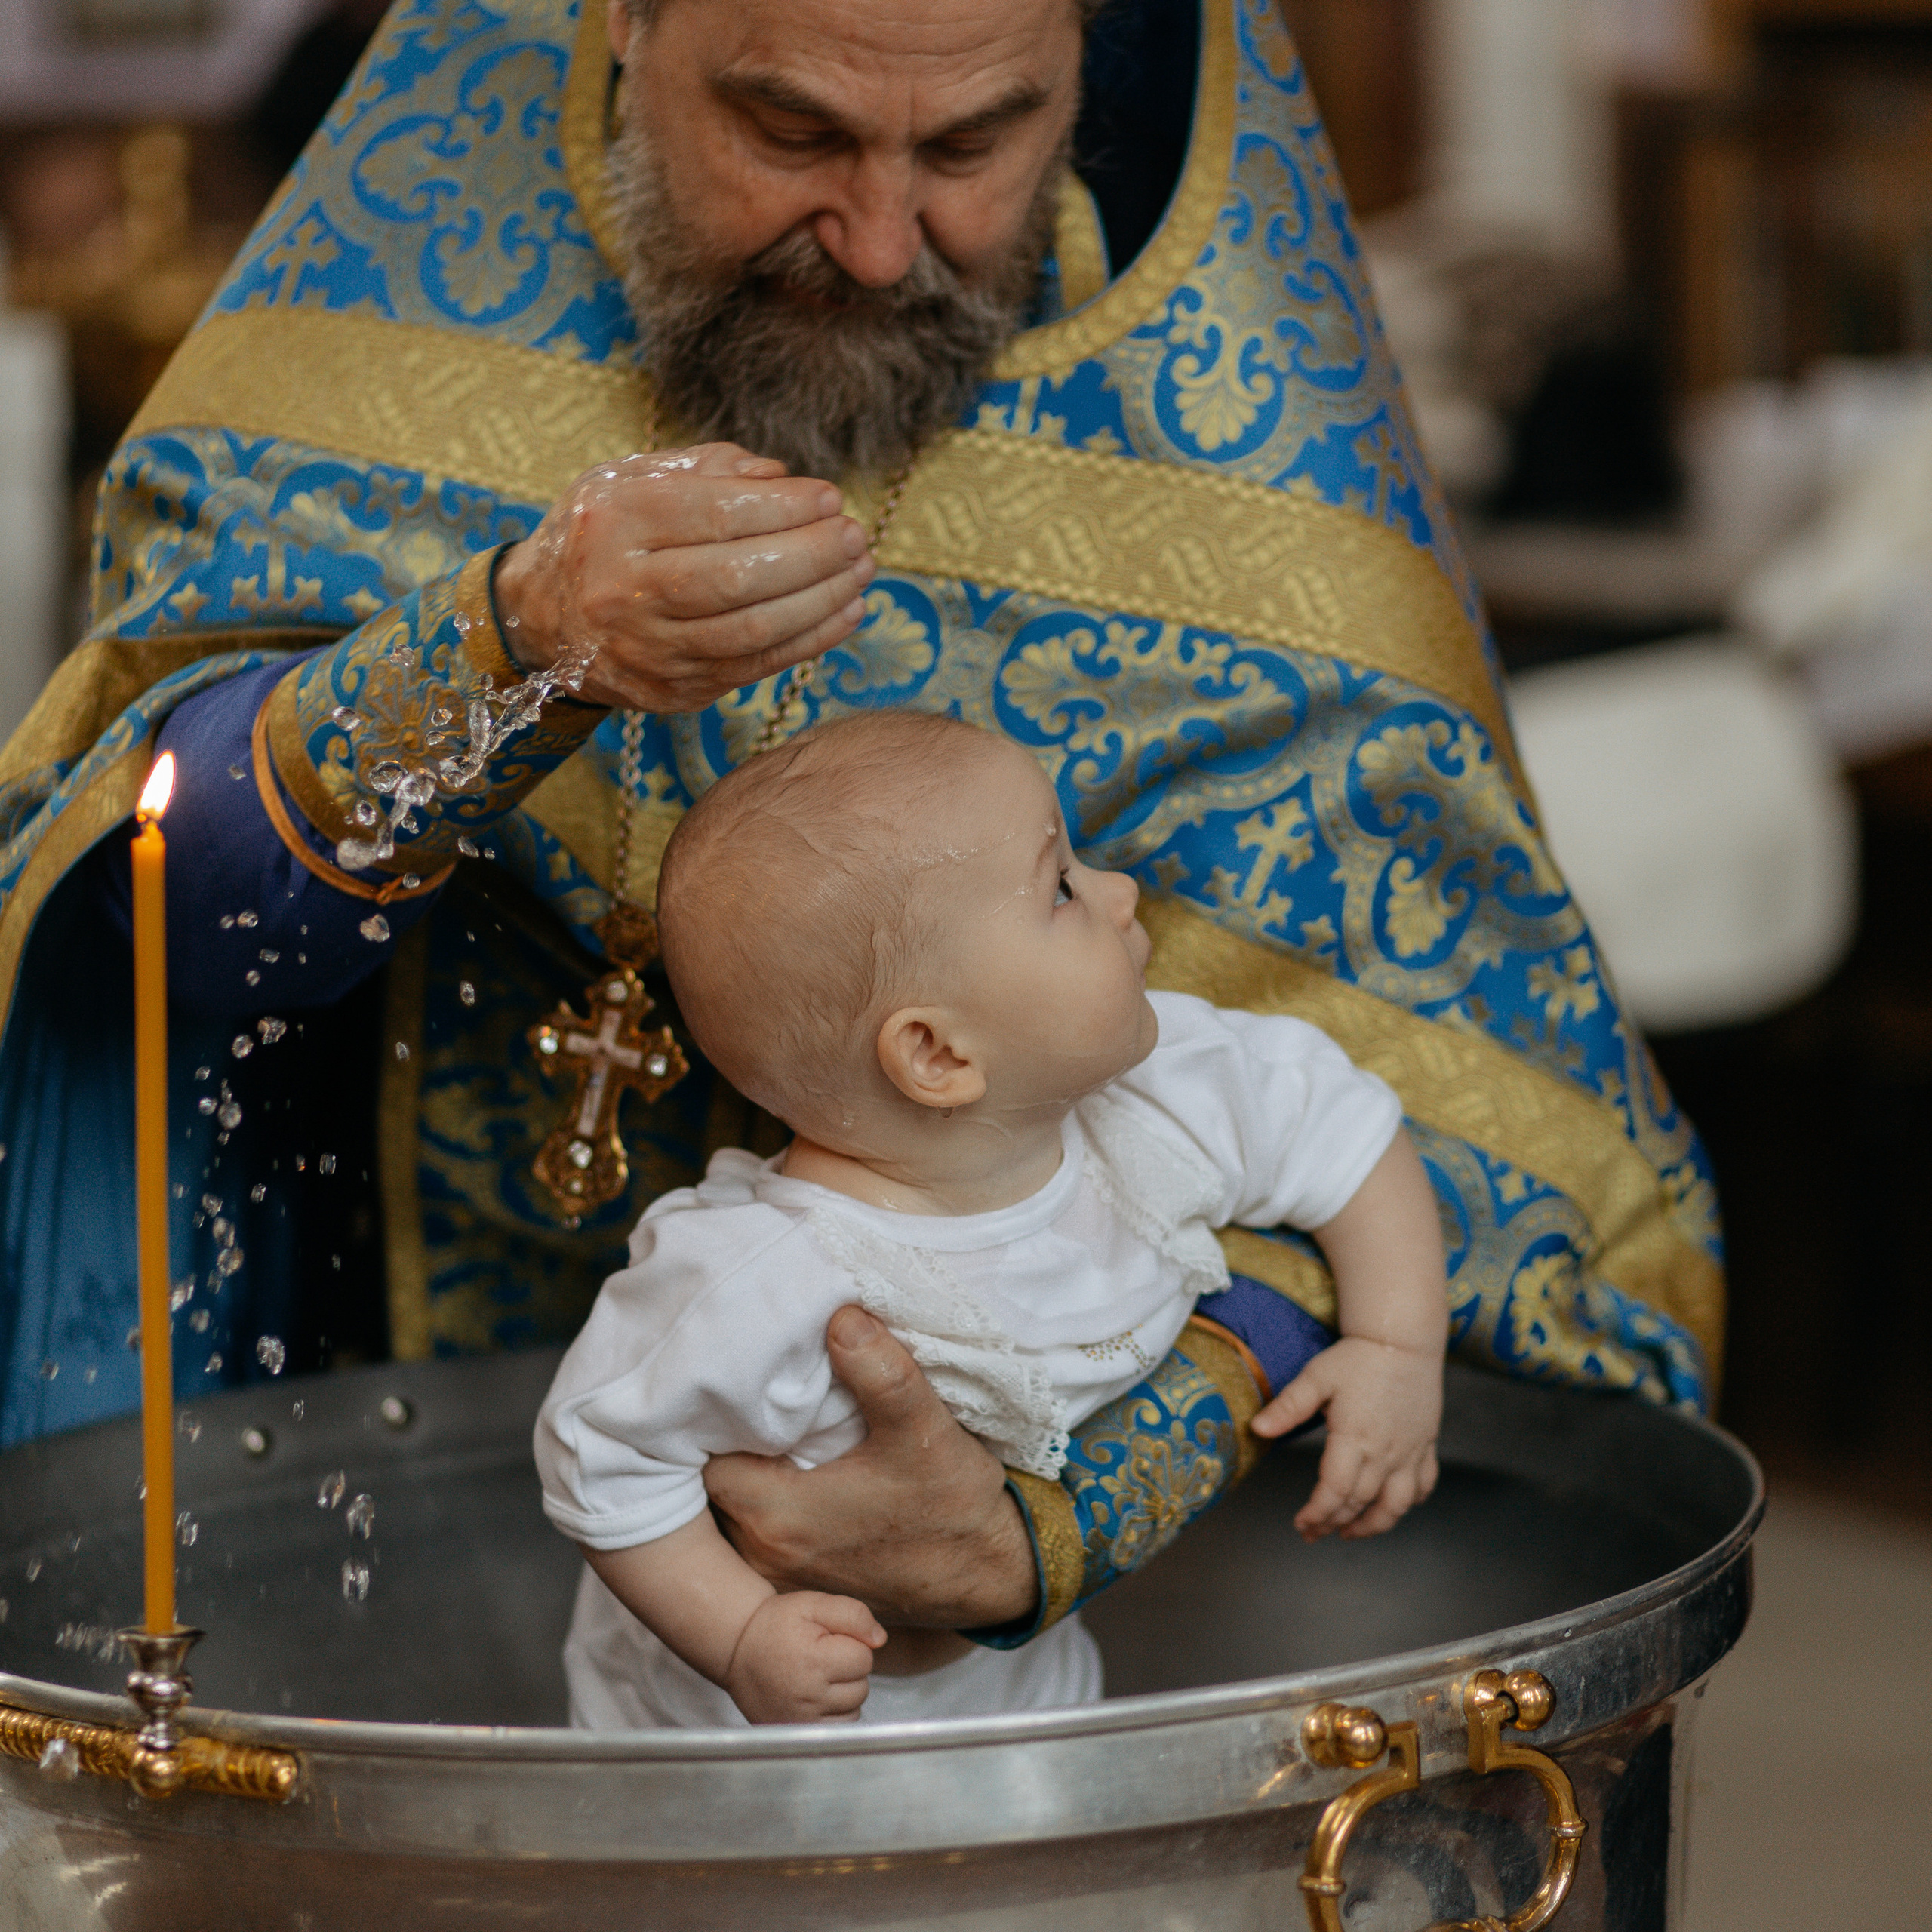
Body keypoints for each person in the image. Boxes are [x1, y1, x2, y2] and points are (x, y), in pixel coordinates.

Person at [0, 0, 1721, 1651]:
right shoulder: (381, 315)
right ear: (625, 22)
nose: (884, 239)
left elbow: (1475, 1173)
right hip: (365, 1485)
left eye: (980, 138)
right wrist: (505, 642)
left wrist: (1061, 1514)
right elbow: (137, 902)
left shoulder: (1253, 471)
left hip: (1078, 1650)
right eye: (789, 127)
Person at [537, 712, 1447, 1724]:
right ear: (937, 1055)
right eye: (1062, 886)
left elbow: (1343, 1131)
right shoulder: (762, 1279)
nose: (1122, 892)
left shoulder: (1162, 1098)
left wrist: (1395, 1346)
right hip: (733, 1745)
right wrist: (740, 1635)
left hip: (1016, 1698)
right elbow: (601, 1457)